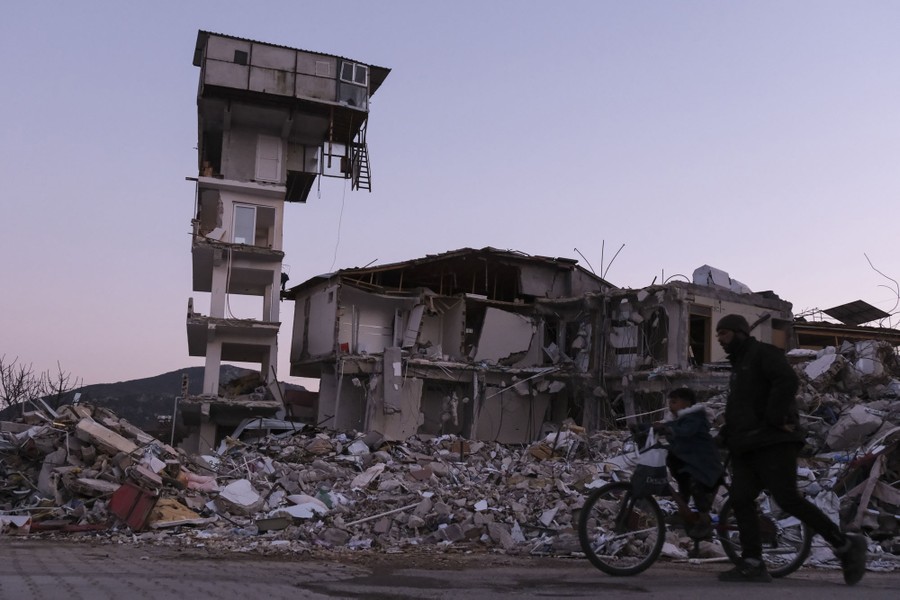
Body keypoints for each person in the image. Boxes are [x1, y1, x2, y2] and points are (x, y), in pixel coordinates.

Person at [714, 313, 867, 584]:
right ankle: (752, 562)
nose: (720, 340)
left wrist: (775, 417)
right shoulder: (739, 365)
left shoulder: (763, 353)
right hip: (748, 445)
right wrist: (727, 433)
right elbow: (743, 406)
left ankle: (844, 545)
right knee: (740, 499)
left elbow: (787, 380)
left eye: (723, 334)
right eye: (718, 335)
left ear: (739, 332)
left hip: (773, 442)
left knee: (787, 499)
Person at [653, 387, 724, 539]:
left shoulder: (696, 418)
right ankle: (685, 515)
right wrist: (642, 428)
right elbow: (669, 427)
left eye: (674, 402)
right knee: (683, 486)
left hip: (704, 467)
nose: (671, 406)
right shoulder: (678, 420)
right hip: (688, 465)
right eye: (669, 402)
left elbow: (684, 431)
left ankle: (705, 520)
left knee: (696, 488)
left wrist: (667, 429)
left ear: (687, 403)